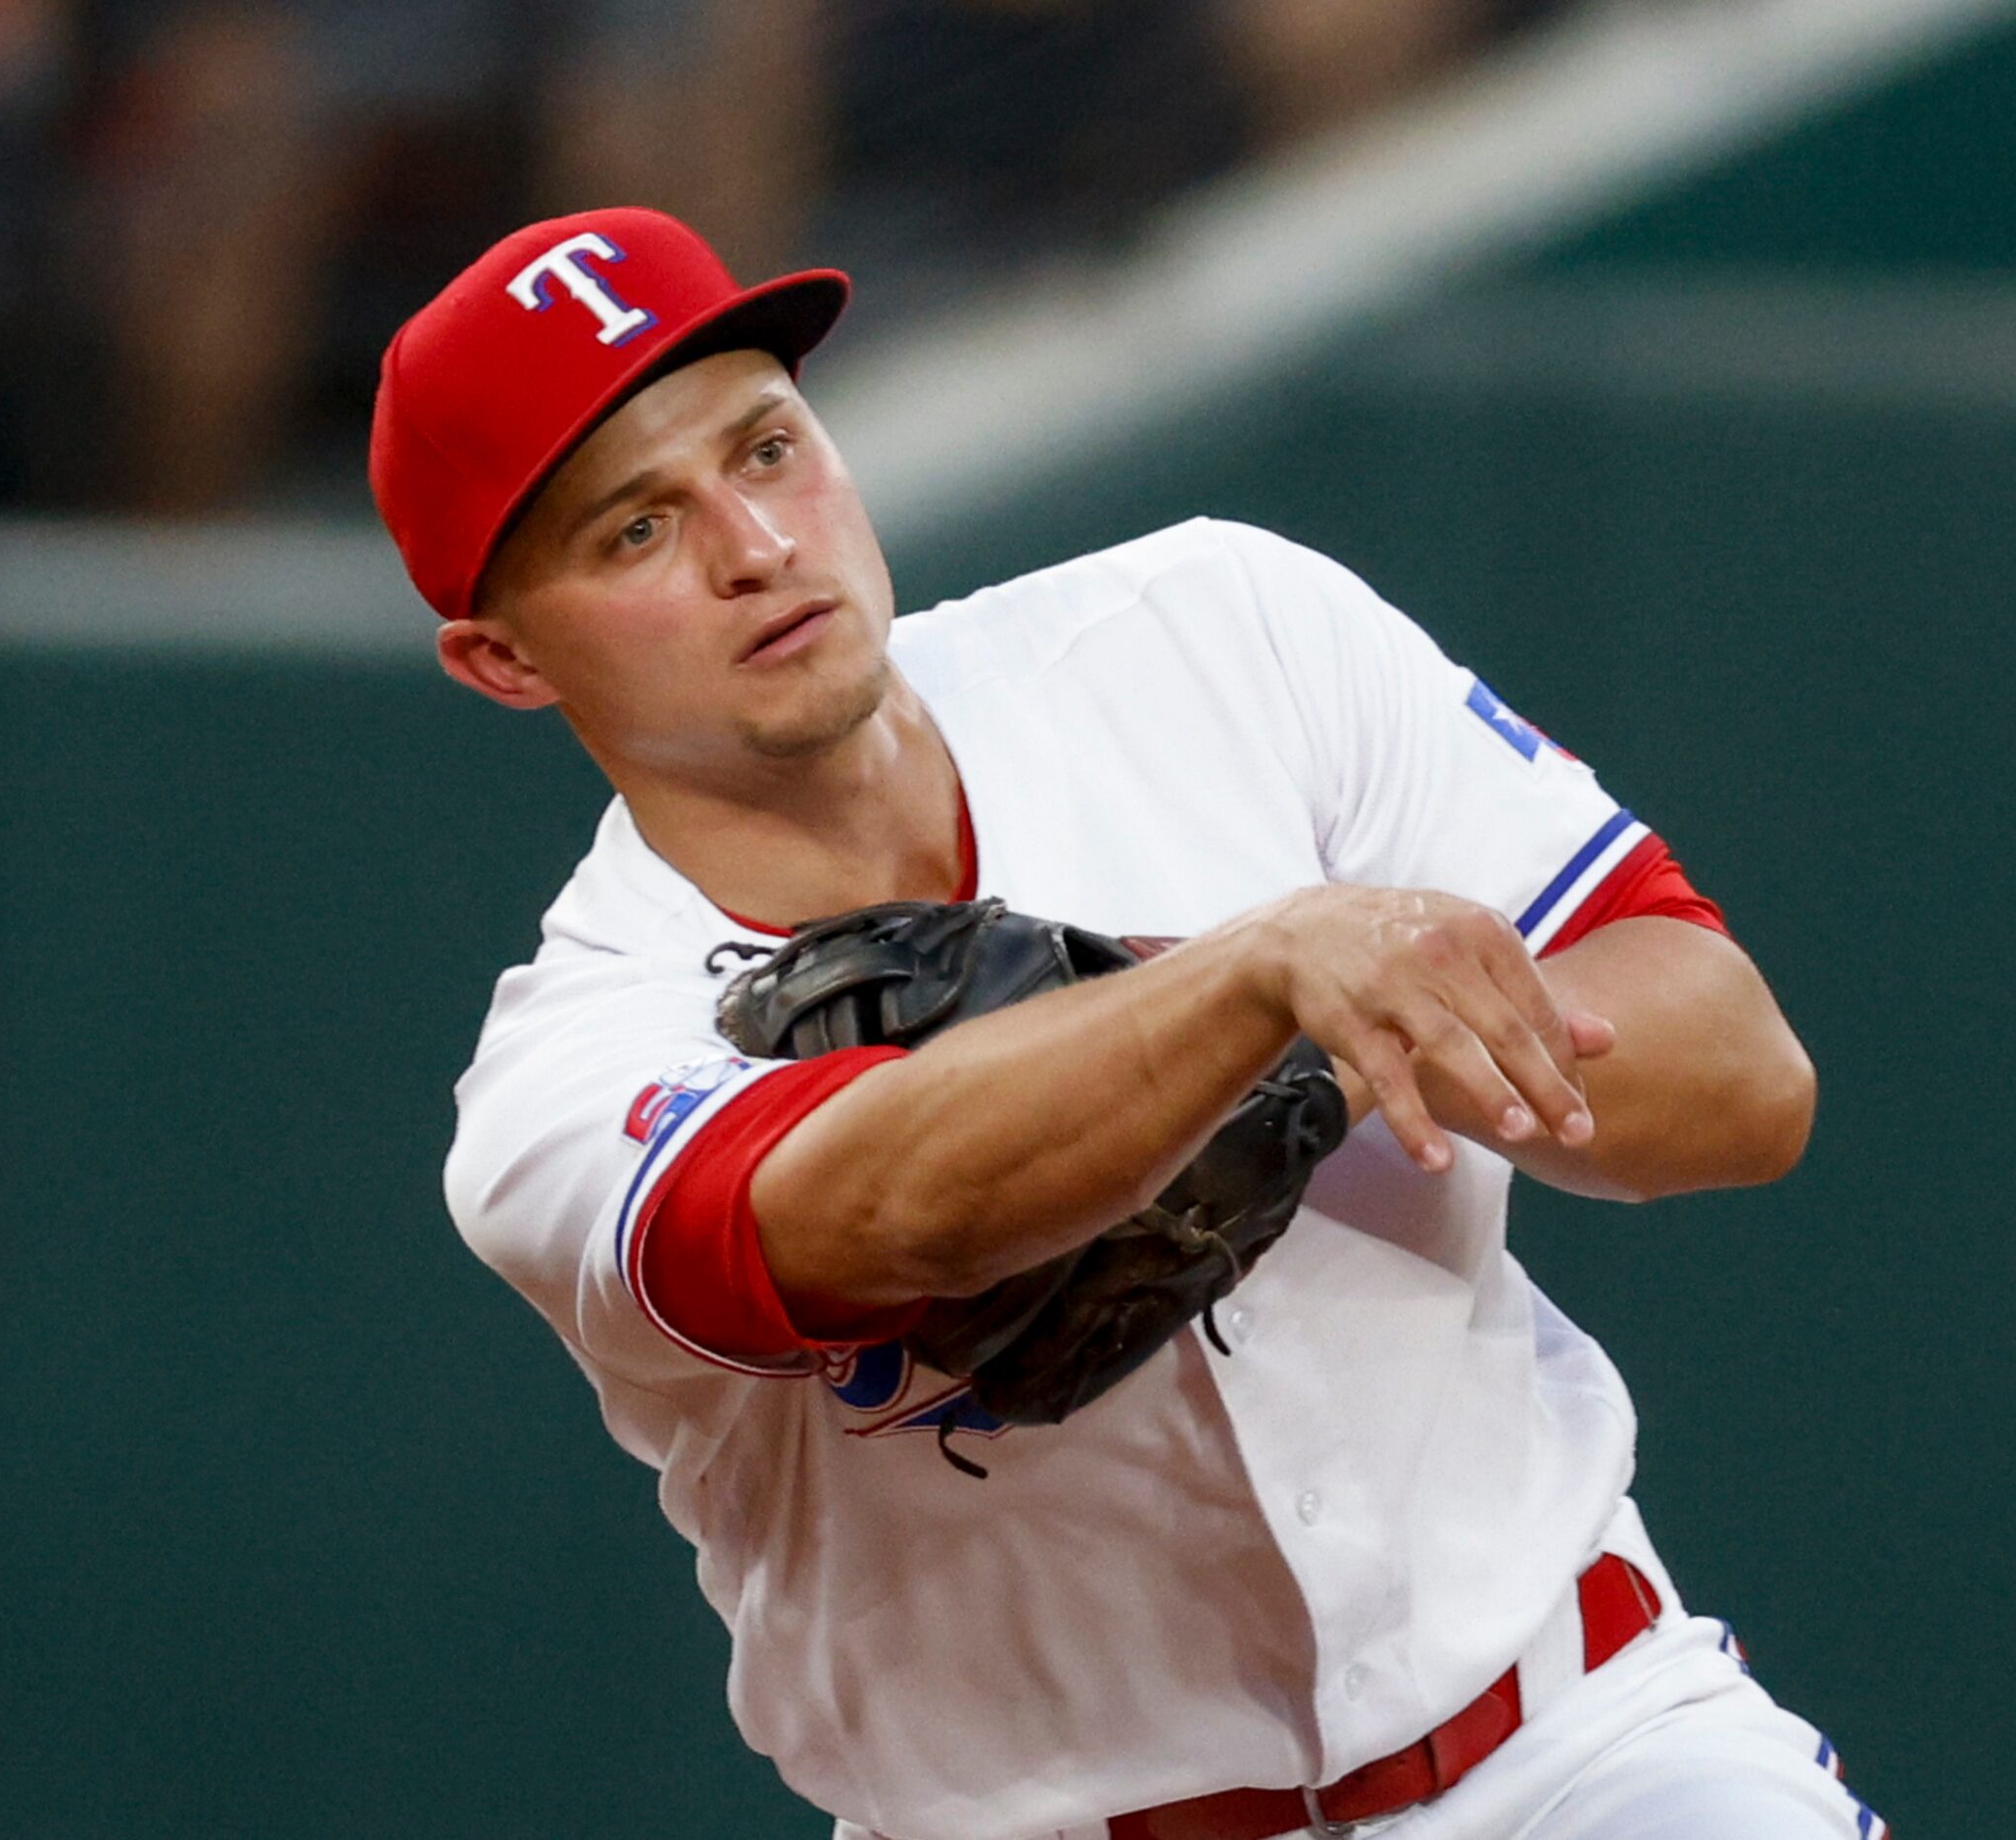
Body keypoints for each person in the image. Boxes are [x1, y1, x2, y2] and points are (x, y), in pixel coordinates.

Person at [373, 206, 1887, 1840]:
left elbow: (1742, 1074)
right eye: (636, 532)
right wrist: (1250, 984)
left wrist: (1324, 1042)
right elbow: (886, 1205)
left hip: (1580, 1750)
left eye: (767, 447)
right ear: (501, 659)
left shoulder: (1211, 628)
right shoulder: (565, 1072)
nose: (755, 543)